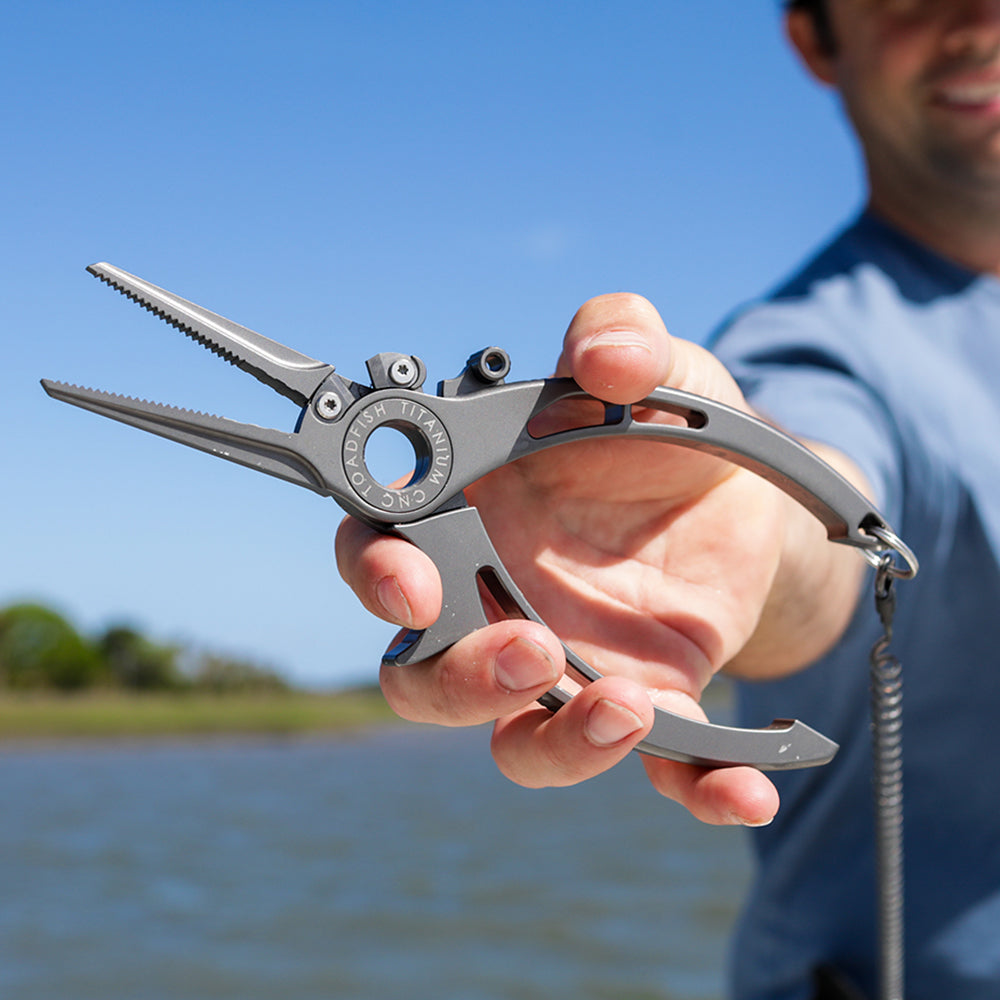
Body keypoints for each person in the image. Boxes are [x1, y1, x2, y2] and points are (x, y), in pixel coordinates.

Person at [336, 1, 1000, 997]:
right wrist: (757, 544)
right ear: (817, 38)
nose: (978, 22)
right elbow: (798, 534)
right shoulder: (819, 348)